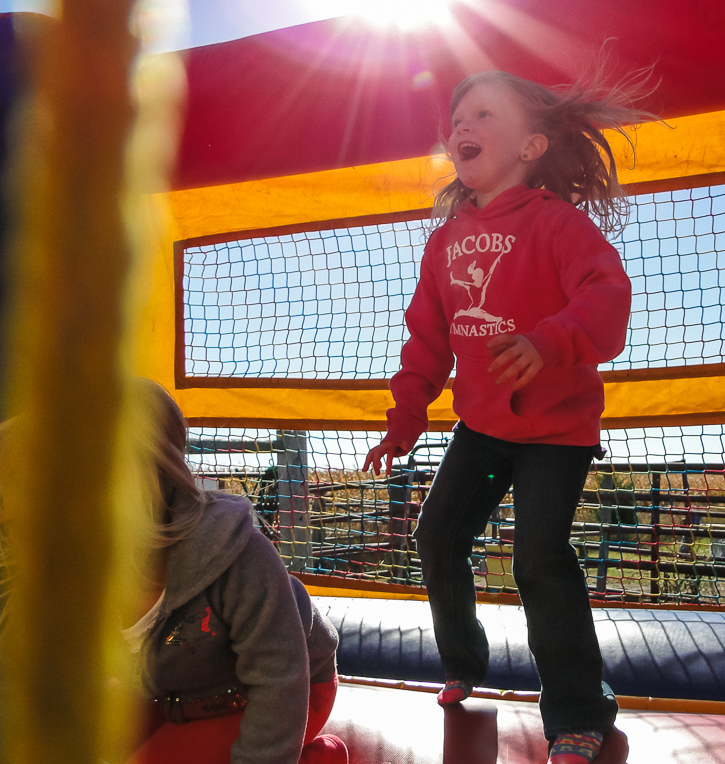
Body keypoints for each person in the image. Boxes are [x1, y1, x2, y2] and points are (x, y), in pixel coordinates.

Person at [364, 68, 653, 764]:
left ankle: (580, 715)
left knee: (538, 561)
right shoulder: (445, 242)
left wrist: (548, 341)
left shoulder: (557, 224)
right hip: (485, 429)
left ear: (531, 145)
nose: (462, 127)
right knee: (437, 536)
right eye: (457, 118)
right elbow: (428, 339)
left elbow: (606, 298)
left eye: (484, 115)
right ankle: (464, 662)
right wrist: (407, 414)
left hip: (556, 430)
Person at [126, 380, 348, 764]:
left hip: (290, 687)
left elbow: (280, 678)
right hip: (181, 693)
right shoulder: (71, 563)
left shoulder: (232, 551)